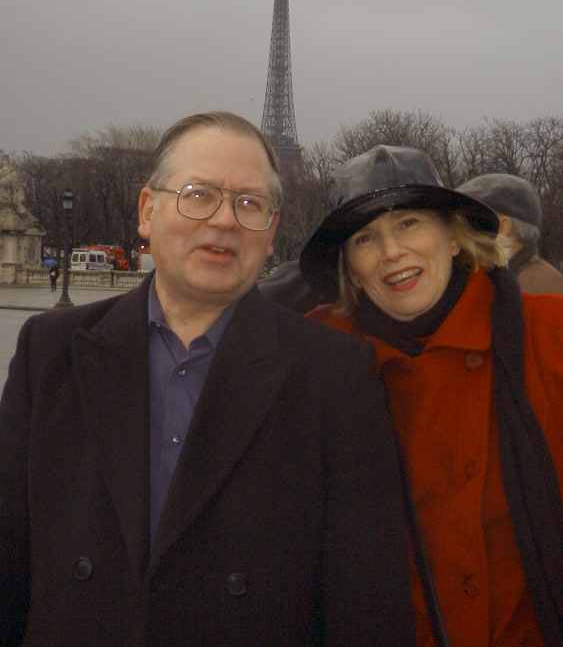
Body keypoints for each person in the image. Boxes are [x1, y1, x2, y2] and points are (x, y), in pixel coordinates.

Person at [0, 113, 414, 647]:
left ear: (270, 235)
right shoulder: (49, 350)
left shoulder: (335, 371)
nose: (223, 221)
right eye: (199, 195)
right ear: (148, 211)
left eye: (249, 204)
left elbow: (366, 595)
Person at [300, 145, 563, 647]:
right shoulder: (317, 365)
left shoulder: (549, 337)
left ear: (454, 237)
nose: (392, 252)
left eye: (409, 224)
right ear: (350, 268)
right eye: (365, 238)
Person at [456, 172, 563, 295]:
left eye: (466, 222)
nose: (455, 236)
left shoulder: (536, 294)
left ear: (502, 227)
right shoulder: (511, 281)